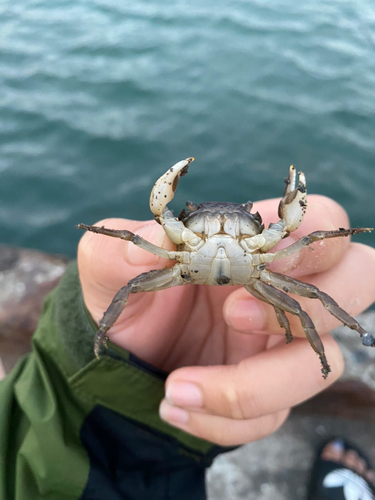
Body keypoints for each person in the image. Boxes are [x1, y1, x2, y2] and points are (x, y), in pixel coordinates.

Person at [0, 194, 375, 499]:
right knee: (132, 284)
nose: (222, 225)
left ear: (259, 226)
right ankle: (103, 337)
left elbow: (306, 239)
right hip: (189, 270)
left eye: (239, 219)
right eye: (200, 218)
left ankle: (344, 338)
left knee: (304, 301)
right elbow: (137, 238)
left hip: (231, 277)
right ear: (183, 223)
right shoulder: (174, 248)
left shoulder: (268, 248)